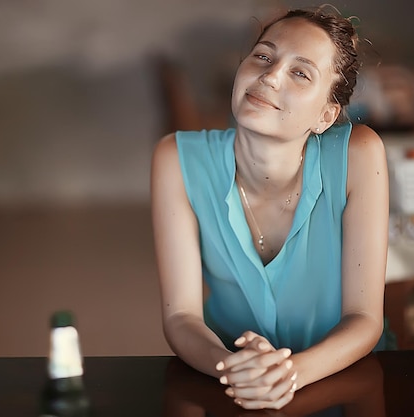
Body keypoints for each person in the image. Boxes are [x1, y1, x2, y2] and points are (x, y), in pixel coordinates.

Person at [151, 5, 389, 411]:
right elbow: (181, 318)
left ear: (326, 115)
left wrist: (290, 373)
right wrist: (235, 367)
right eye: (263, 55)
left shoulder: (359, 155)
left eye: (301, 72)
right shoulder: (176, 158)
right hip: (229, 379)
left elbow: (364, 319)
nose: (270, 75)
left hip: (343, 378)